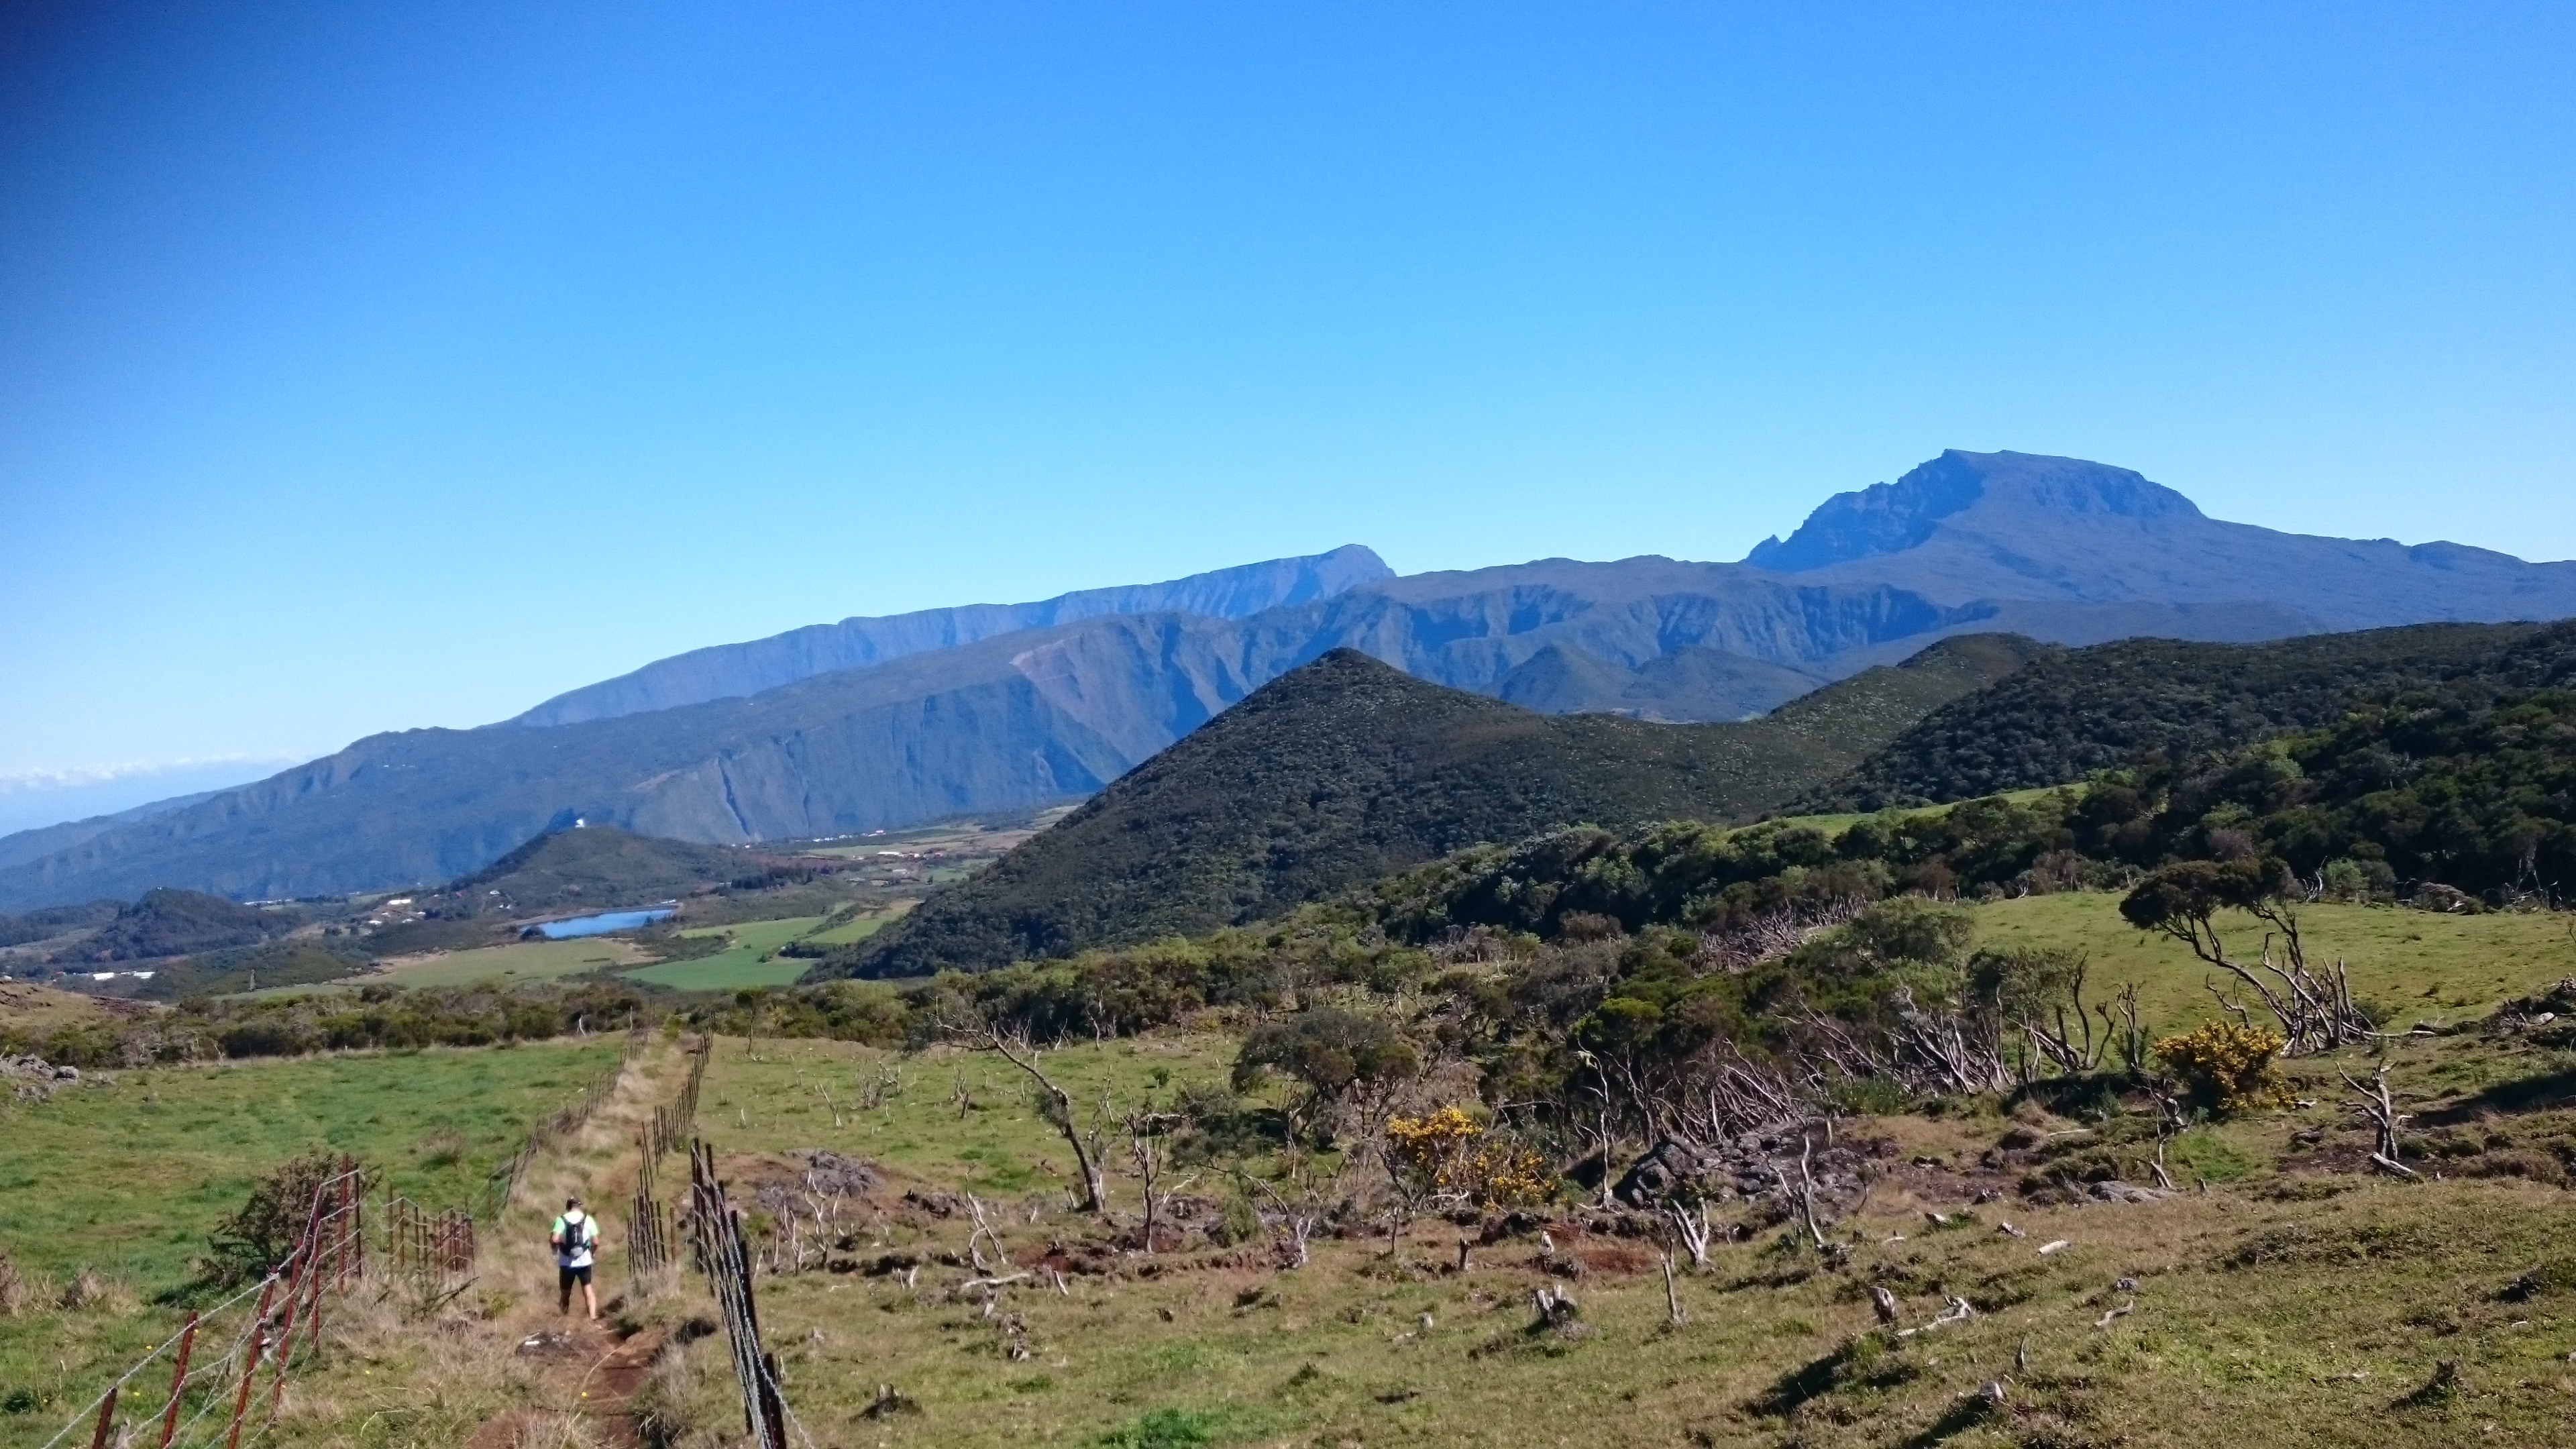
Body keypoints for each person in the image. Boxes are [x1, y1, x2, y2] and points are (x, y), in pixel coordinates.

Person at [551, 1195, 600, 1320]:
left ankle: (563, 1317)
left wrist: (555, 1250)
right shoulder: (588, 1220)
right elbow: (596, 1242)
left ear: (568, 1207)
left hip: (566, 1262)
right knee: (588, 1290)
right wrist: (591, 1253)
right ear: (580, 1206)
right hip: (584, 1261)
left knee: (565, 1293)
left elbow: (555, 1239)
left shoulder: (561, 1220)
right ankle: (593, 1318)